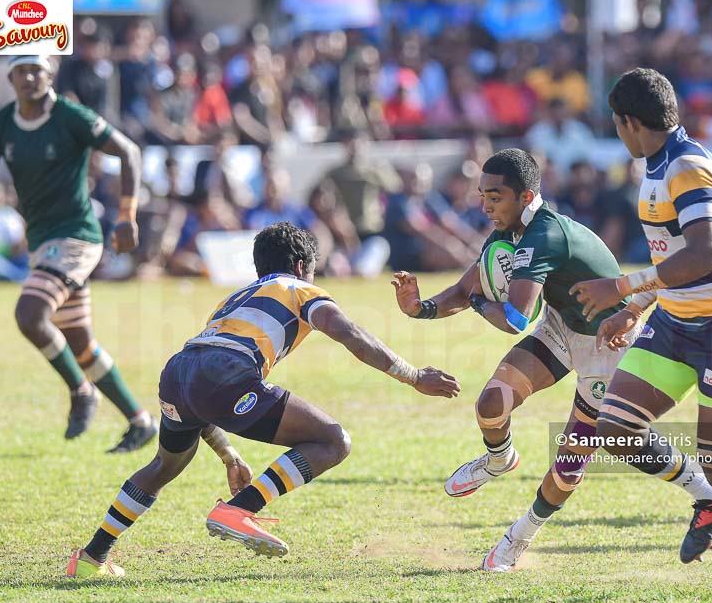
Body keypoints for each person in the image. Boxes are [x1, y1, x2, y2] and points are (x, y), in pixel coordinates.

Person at [392, 148, 712, 573]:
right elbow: (463, 289)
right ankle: (499, 458)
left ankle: (521, 536)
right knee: (491, 404)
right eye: (482, 196)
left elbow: (514, 319)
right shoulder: (508, 232)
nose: (486, 206)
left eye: (495, 197)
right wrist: (419, 309)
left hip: (607, 345)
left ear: (526, 196)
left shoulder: (543, 235)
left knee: (575, 462)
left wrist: (477, 303)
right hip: (563, 325)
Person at [67, 223, 460, 577]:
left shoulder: (234, 299)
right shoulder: (301, 289)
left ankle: (92, 557)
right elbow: (350, 333)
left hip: (178, 371)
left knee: (163, 466)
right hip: (225, 370)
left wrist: (229, 456)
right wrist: (413, 376)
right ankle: (241, 509)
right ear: (302, 265)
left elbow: (201, 391)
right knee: (333, 440)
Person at [571, 68, 712, 597]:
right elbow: (671, 254)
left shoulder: (687, 166)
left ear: (630, 122)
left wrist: (621, 287)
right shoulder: (658, 163)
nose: (618, 134)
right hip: (676, 324)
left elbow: (702, 256)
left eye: (617, 125)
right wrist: (635, 308)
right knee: (615, 427)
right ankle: (707, 496)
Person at [0, 54, 157, 453]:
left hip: (77, 237)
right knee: (79, 344)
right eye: (21, 71)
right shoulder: (0, 123)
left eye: (36, 70)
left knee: (30, 314)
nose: (29, 77)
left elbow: (129, 152)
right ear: (10, 77)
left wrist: (126, 215)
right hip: (41, 241)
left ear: (50, 73)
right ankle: (141, 422)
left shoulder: (71, 116)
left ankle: (81, 391)